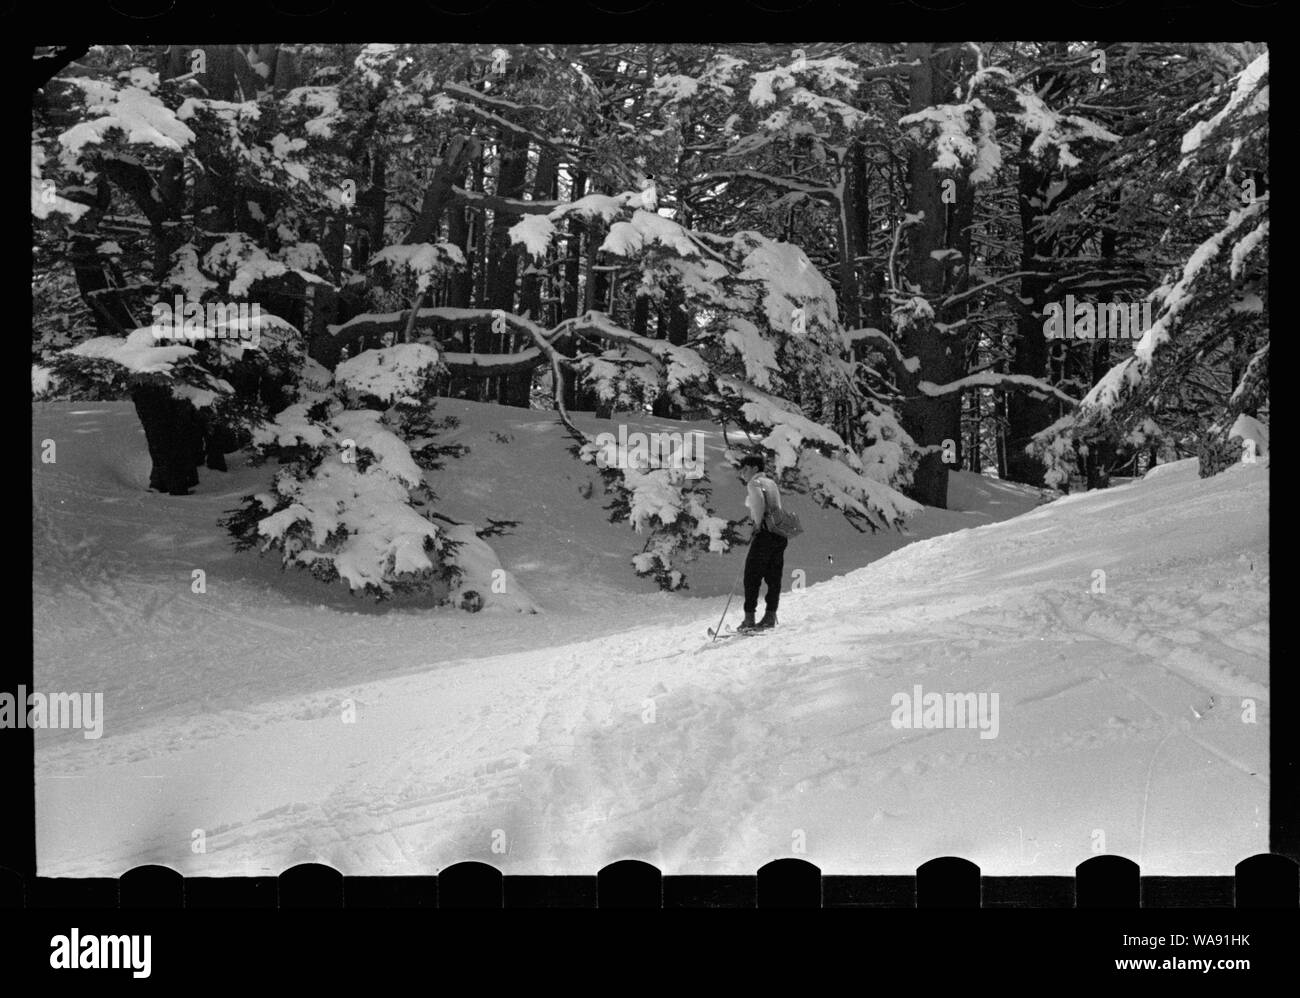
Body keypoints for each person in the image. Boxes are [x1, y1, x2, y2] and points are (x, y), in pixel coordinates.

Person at [736, 454, 787, 631]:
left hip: (764, 534)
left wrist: (757, 525)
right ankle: (770, 616)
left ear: (755, 469)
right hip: (779, 534)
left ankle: (749, 619)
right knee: (774, 577)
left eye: (746, 469)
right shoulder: (771, 483)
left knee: (752, 576)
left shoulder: (754, 483)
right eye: (741, 470)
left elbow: (758, 506)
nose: (743, 473)